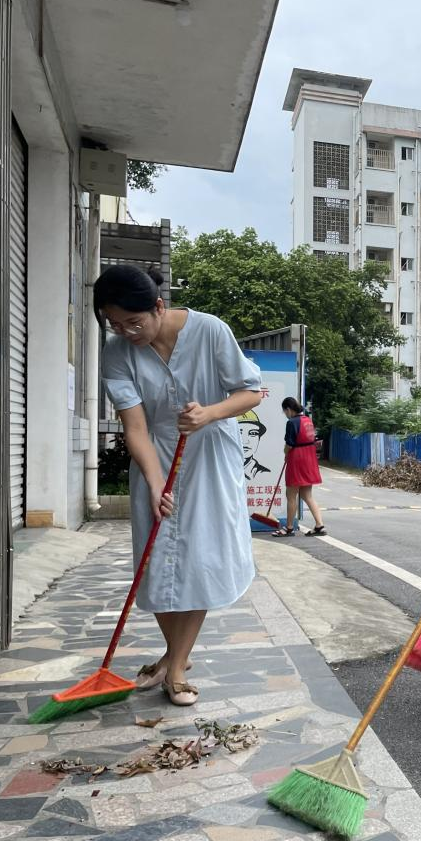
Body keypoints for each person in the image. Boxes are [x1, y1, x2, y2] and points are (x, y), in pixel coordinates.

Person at [96, 264, 262, 707]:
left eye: (133, 322)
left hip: (209, 456)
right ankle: (174, 658)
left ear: (158, 306)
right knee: (158, 563)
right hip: (155, 455)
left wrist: (209, 413)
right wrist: (155, 484)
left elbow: (251, 392)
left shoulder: (210, 331)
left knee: (199, 560)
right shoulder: (117, 352)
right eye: (115, 323)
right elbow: (135, 426)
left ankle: (175, 669)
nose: (126, 332)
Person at [273, 397, 326, 538]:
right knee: (307, 495)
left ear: (288, 409)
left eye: (285, 411)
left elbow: (289, 444)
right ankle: (319, 525)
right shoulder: (307, 420)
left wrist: (286, 453)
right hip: (309, 458)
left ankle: (289, 528)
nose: (285, 414)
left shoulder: (292, 422)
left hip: (297, 460)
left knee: (291, 495)